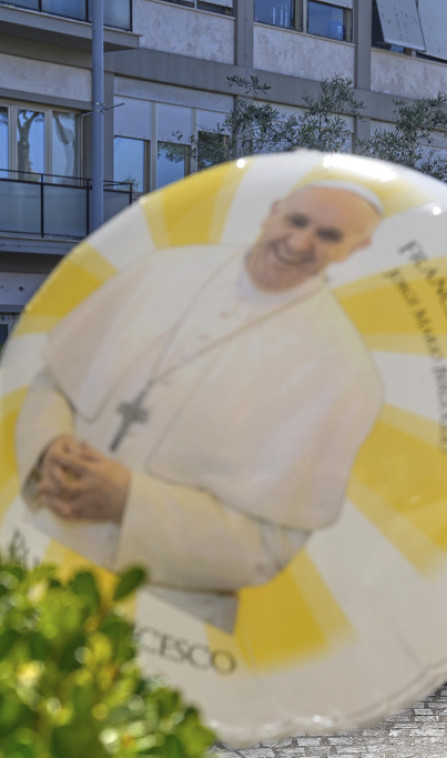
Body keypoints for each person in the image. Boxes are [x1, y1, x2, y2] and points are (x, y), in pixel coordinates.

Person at [16, 181, 385, 631]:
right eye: (296, 220)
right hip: (39, 555)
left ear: (354, 248)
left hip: (168, 615)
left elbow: (268, 547)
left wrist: (131, 502)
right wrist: (50, 446)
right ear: (272, 212)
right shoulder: (161, 270)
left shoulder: (343, 370)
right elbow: (54, 381)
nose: (299, 242)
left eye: (328, 235)